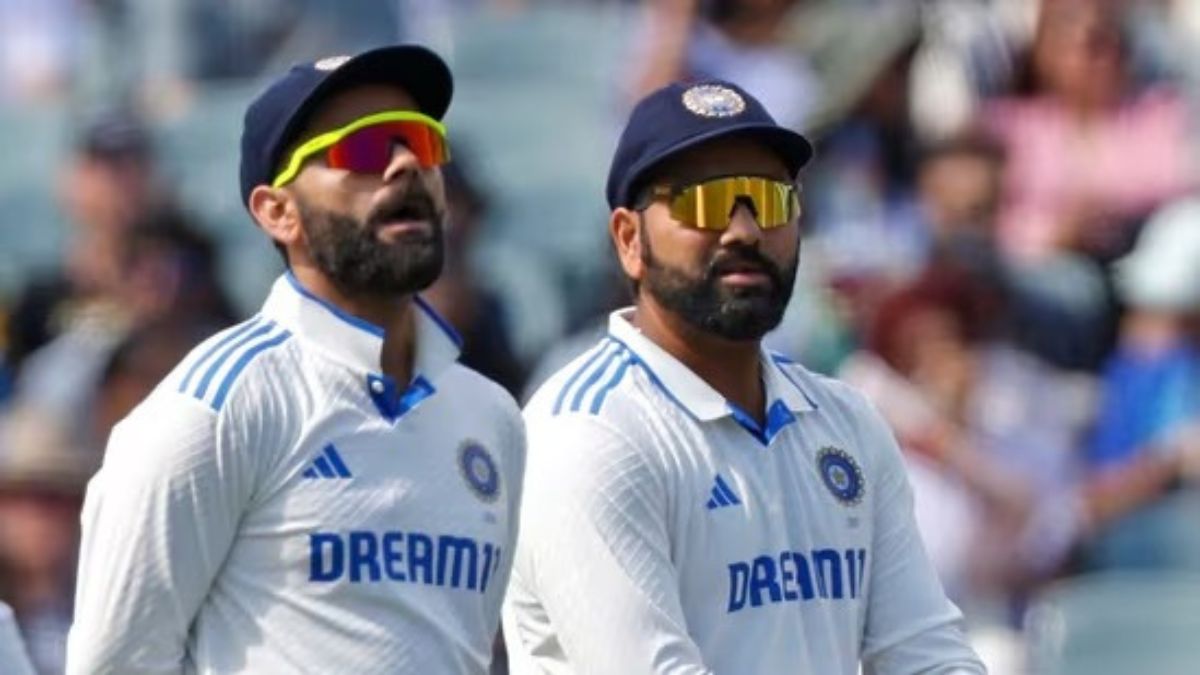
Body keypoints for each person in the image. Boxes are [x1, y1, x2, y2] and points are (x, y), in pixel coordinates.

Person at [67, 45, 526, 673]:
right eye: (362, 150)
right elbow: (114, 663)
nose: (403, 166)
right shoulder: (213, 407)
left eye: (420, 143)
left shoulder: (491, 416)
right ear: (278, 212)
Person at [502, 80, 985, 674]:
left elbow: (926, 652)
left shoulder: (846, 422)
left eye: (768, 199)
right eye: (705, 202)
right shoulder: (588, 431)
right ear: (630, 240)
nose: (744, 231)